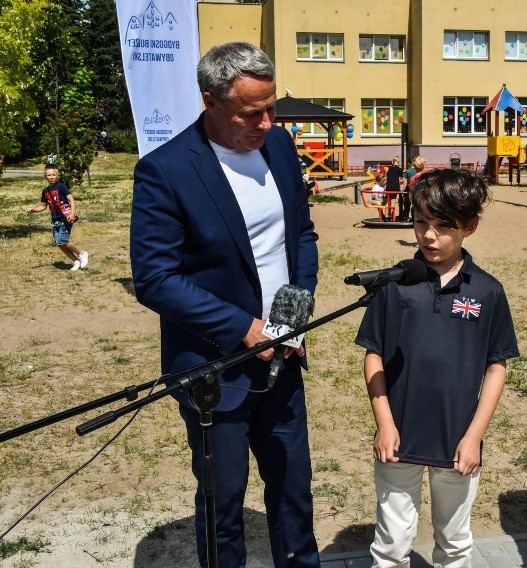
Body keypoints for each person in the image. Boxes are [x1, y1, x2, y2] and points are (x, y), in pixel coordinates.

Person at [129, 42, 320, 568]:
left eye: (272, 107)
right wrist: (244, 328)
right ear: (210, 102)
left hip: (284, 354)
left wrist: (290, 319)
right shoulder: (165, 171)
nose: (266, 123)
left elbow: (301, 236)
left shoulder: (278, 146)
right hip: (215, 371)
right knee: (224, 504)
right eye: (251, 113)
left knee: (294, 494)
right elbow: (155, 279)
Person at [355, 168, 519, 568]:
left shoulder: (488, 291)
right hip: (399, 438)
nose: (429, 236)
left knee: (455, 541)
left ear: (470, 227)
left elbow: (497, 366)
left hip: (457, 440)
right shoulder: (395, 283)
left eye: (443, 226)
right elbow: (373, 354)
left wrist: (474, 436)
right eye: (420, 223)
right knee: (391, 543)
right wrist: (385, 424)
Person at [26, 164, 90, 271]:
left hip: (65, 218)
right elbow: (43, 206)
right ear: (45, 176)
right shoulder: (45, 191)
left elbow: (71, 200)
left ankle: (82, 253)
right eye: (49, 175)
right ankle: (76, 261)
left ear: (58, 175)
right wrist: (33, 210)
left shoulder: (61, 186)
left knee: (63, 241)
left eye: (53, 175)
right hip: (55, 219)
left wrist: (72, 214)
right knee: (59, 243)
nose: (51, 177)